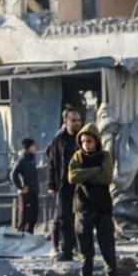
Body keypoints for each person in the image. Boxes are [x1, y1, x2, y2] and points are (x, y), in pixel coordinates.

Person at [67, 124, 118, 276]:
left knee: (108, 249)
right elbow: (72, 177)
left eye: (89, 141)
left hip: (102, 208)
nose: (86, 145)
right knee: (85, 253)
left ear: (96, 141)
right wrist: (96, 170)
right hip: (83, 208)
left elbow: (106, 177)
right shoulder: (78, 156)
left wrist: (85, 175)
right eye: (83, 142)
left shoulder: (105, 156)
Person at [46, 107, 83, 261]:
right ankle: (66, 251)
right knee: (64, 218)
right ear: (65, 122)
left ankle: (81, 249)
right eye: (73, 120)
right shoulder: (58, 141)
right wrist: (51, 185)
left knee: (82, 218)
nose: (77, 123)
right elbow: (52, 163)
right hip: (65, 185)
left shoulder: (84, 138)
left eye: (79, 120)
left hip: (82, 186)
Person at [10, 138, 39, 234]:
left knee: (33, 217)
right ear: (29, 147)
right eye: (34, 145)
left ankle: (29, 235)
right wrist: (21, 187)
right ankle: (21, 236)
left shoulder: (32, 159)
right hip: (26, 193)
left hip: (33, 191)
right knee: (25, 217)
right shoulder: (23, 159)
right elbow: (13, 174)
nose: (36, 147)